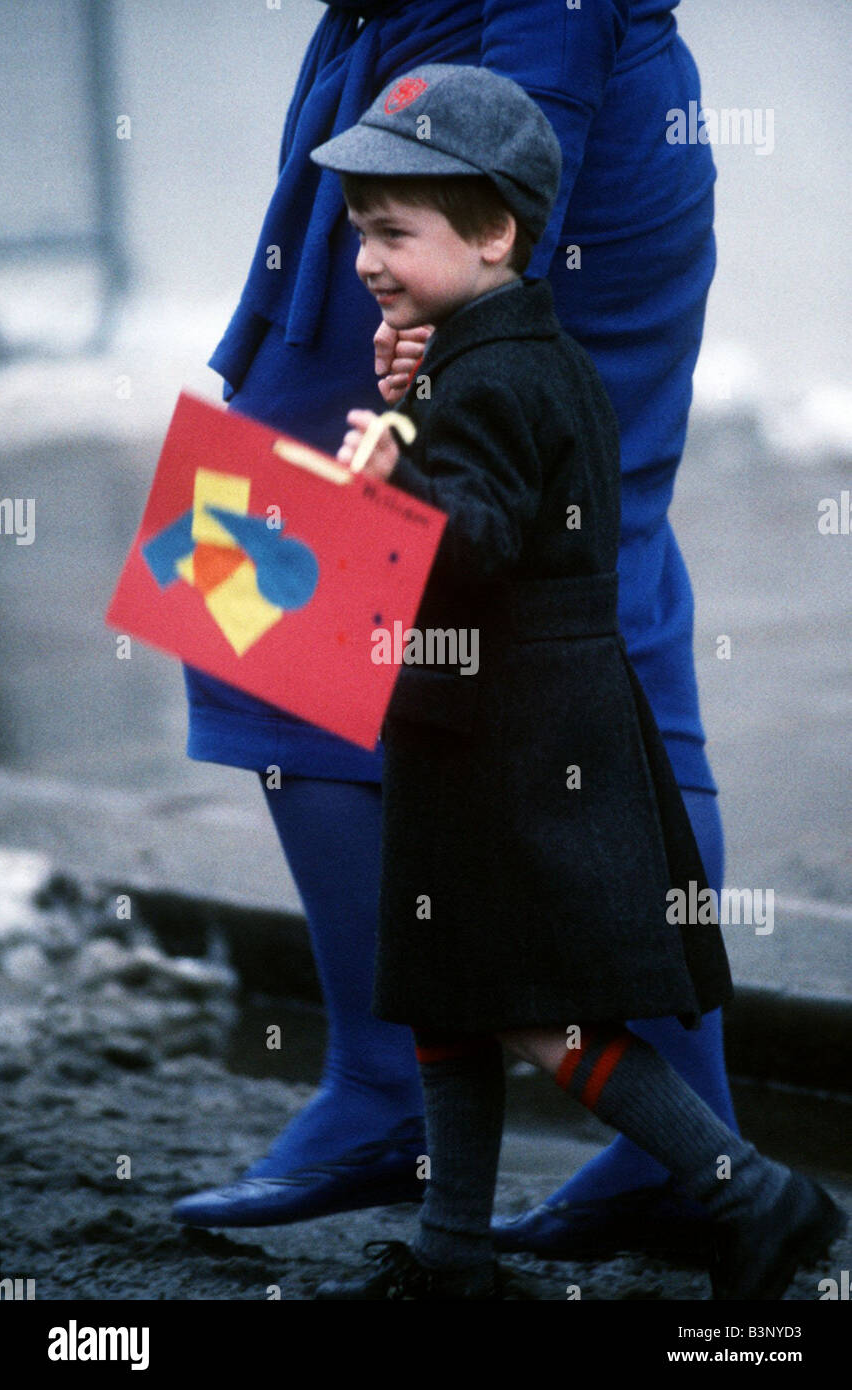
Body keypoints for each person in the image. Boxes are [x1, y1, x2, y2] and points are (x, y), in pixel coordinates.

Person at [173, 0, 740, 1258]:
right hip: (459, 135)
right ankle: (689, 1140)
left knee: (262, 587)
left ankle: (394, 1095)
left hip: (500, 127)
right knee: (583, 593)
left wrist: (479, 294)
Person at [304, 62, 846, 1301]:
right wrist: (413, 405)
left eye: (394, 232)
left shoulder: (491, 377)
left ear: (493, 231)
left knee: (537, 1009)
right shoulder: (509, 354)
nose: (368, 260)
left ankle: (750, 1193)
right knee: (451, 991)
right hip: (491, 721)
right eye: (357, 236)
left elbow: (479, 534)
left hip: (504, 734)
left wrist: (389, 474)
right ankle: (452, 1256)